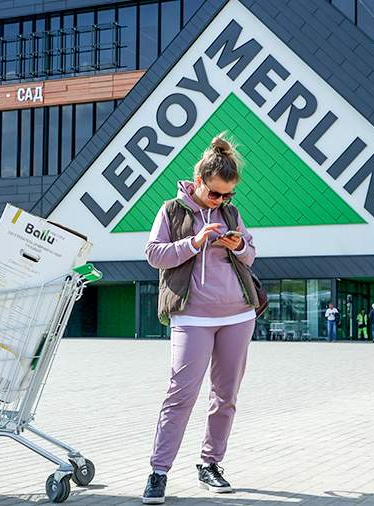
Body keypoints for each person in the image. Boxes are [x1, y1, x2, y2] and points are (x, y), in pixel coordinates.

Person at [142, 133, 261, 504]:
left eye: (228, 195)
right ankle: (158, 471)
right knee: (180, 395)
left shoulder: (231, 214)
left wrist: (237, 244)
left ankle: (210, 463)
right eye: (215, 194)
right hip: (192, 317)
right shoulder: (171, 210)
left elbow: (252, 254)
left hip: (238, 314)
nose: (222, 200)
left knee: (225, 396)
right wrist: (194, 243)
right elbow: (154, 254)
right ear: (198, 183)